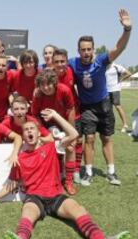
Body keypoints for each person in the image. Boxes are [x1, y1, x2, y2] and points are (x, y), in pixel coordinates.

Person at [0, 109, 131, 239]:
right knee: (27, 212)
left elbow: (73, 134)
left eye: (32, 129)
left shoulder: (51, 147)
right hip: (35, 197)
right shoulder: (20, 158)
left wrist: (56, 115)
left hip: (56, 196)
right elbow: (12, 185)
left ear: (38, 134)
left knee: (78, 209)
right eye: (26, 130)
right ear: (23, 136)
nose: (29, 131)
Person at [68, 9, 132, 186]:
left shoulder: (101, 60)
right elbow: (54, 65)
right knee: (89, 139)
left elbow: (120, 48)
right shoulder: (72, 62)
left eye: (89, 49)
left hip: (104, 105)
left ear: (93, 49)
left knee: (106, 139)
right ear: (78, 51)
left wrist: (127, 30)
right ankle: (88, 172)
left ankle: (111, 172)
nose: (86, 52)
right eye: (83, 50)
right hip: (87, 107)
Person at [32, 69, 77, 194]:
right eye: (42, 84)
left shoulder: (64, 90)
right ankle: (55, 178)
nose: (46, 88)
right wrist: (44, 132)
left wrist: (70, 132)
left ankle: (68, 181)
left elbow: (71, 110)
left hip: (63, 123)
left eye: (48, 84)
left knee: (70, 148)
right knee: (51, 149)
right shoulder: (38, 94)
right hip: (46, 125)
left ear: (55, 83)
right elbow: (35, 115)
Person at [52, 48, 83, 184]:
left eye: (62, 61)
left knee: (77, 141)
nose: (60, 64)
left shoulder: (72, 71)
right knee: (59, 144)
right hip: (57, 116)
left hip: (74, 112)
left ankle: (76, 170)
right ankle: (60, 172)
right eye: (57, 62)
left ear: (67, 61)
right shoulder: (49, 75)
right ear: (52, 63)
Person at [105, 62, 132, 132]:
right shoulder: (104, 67)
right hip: (106, 90)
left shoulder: (117, 66)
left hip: (115, 89)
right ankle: (110, 125)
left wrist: (121, 79)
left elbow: (129, 73)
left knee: (117, 106)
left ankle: (125, 125)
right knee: (108, 108)